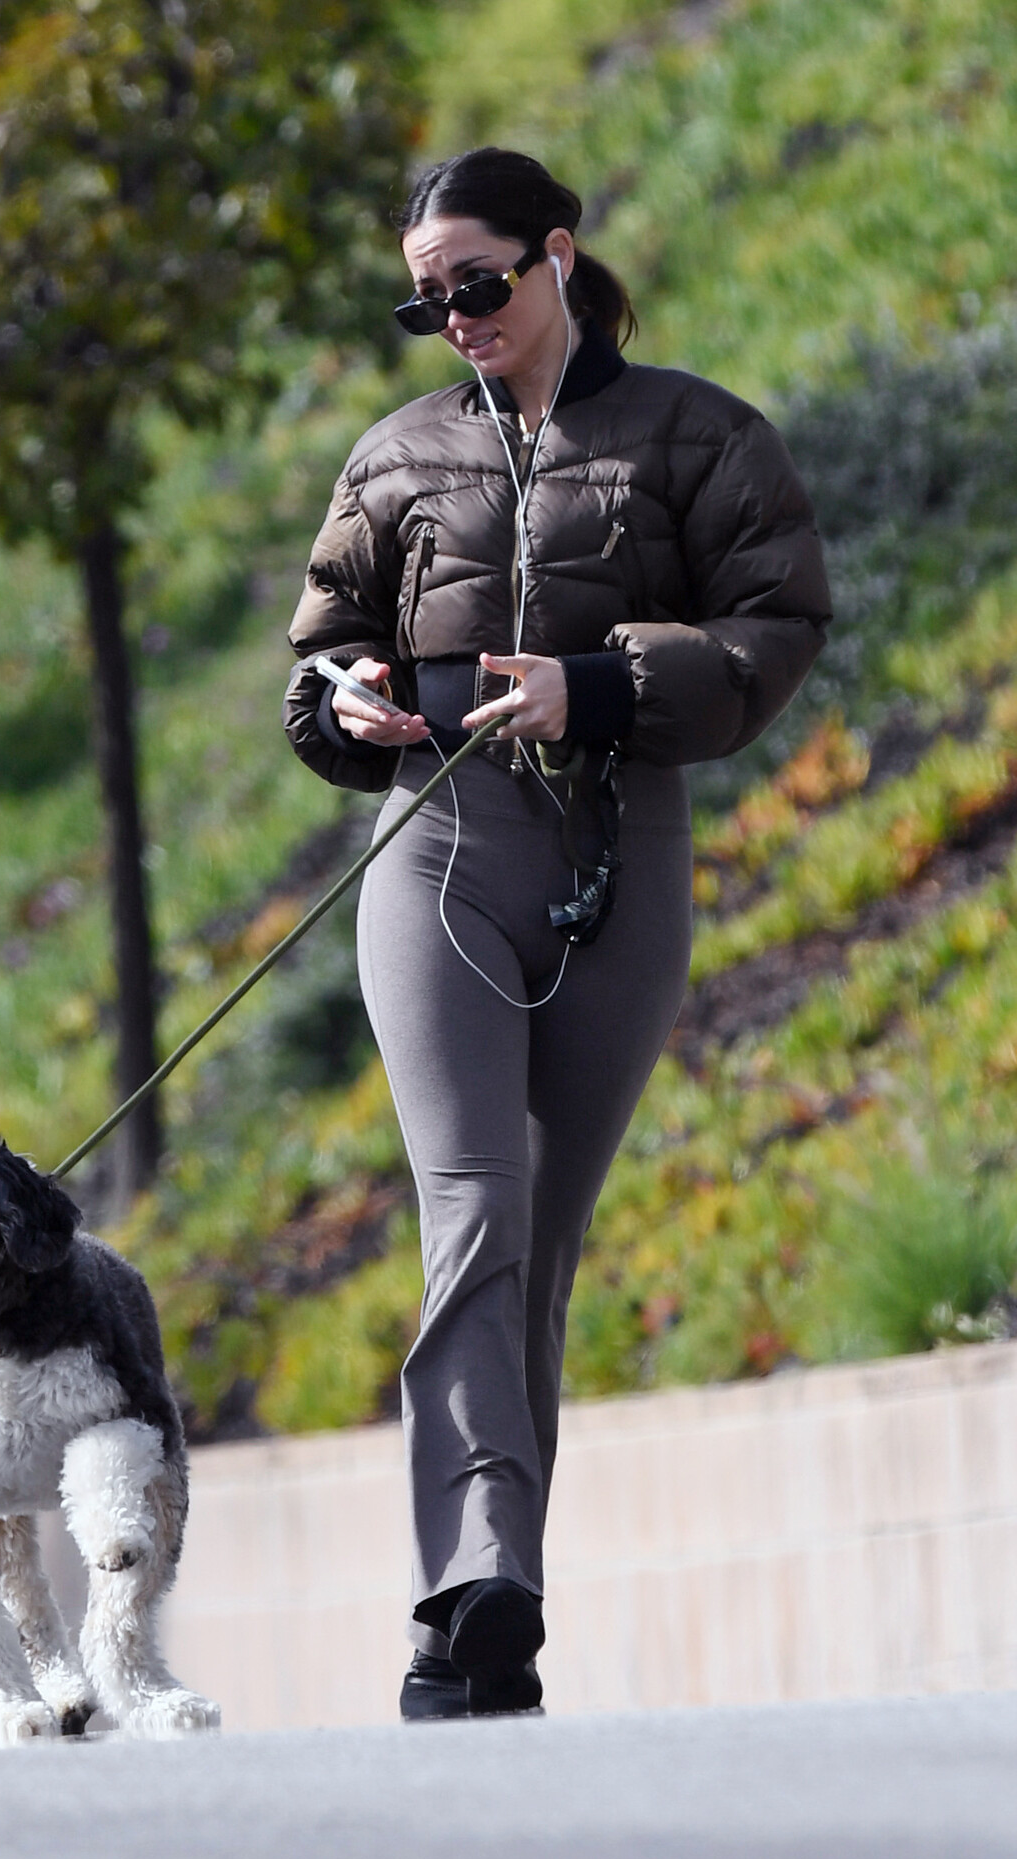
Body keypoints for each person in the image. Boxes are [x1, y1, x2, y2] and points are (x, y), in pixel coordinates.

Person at [281, 147, 831, 1718]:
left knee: (539, 1246)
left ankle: (466, 1618)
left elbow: (778, 630)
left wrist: (595, 688)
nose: (455, 316)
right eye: (427, 299)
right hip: (439, 848)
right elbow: (319, 658)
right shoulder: (396, 456)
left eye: (478, 282)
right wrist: (347, 700)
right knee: (473, 1202)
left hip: (619, 853)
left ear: (559, 256)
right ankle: (481, 1583)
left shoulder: (700, 436)